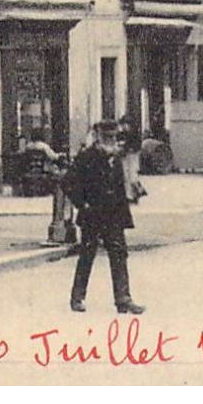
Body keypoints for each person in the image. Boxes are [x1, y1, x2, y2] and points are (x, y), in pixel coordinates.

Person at [63, 122, 145, 315]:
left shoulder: (116, 158)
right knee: (87, 255)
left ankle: (123, 299)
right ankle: (77, 298)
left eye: (114, 137)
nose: (112, 141)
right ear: (98, 136)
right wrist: (82, 204)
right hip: (92, 214)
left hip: (114, 214)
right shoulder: (86, 157)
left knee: (119, 255)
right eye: (107, 137)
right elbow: (68, 182)